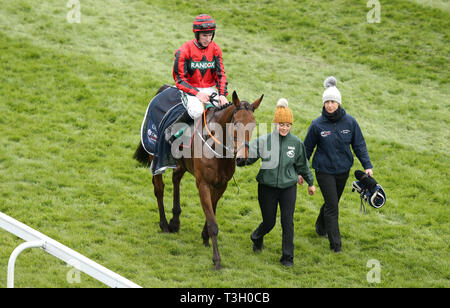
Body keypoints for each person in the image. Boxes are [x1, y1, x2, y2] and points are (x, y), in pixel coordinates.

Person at [237, 98, 316, 267]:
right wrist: (240, 159)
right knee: (269, 221)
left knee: (287, 222)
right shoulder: (264, 141)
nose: (284, 128)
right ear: (275, 124)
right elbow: (249, 158)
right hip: (266, 187)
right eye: (281, 124)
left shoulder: (296, 143)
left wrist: (310, 182)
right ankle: (256, 236)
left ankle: (288, 257)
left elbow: (302, 165)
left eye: (287, 125)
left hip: (288, 187)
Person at [303, 76, 373, 253]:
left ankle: (320, 226)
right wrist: (301, 171)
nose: (330, 105)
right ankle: (336, 246)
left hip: (343, 170)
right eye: (327, 102)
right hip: (324, 170)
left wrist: (367, 165)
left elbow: (359, 145)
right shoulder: (317, 125)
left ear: (339, 103)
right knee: (333, 207)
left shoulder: (350, 122)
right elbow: (306, 149)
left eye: (333, 102)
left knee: (330, 202)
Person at [173, 14, 229, 121]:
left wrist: (222, 94)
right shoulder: (184, 51)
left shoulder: (216, 49)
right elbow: (180, 80)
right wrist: (197, 93)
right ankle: (173, 132)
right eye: (204, 35)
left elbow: (220, 75)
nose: (208, 39)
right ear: (197, 34)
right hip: (189, 89)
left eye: (210, 35)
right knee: (197, 112)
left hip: (208, 89)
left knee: (225, 111)